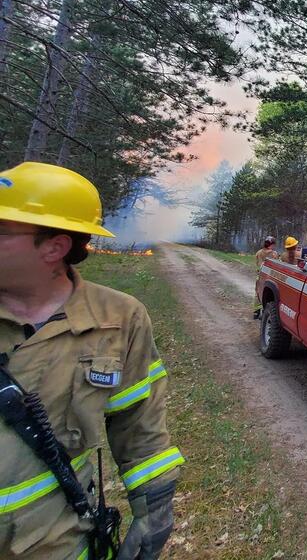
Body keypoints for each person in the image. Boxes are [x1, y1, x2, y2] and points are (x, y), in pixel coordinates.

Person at [0, 162, 183, 560]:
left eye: (2, 231)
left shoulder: (118, 319)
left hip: (55, 546)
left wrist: (153, 516)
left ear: (55, 247)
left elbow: (139, 427)